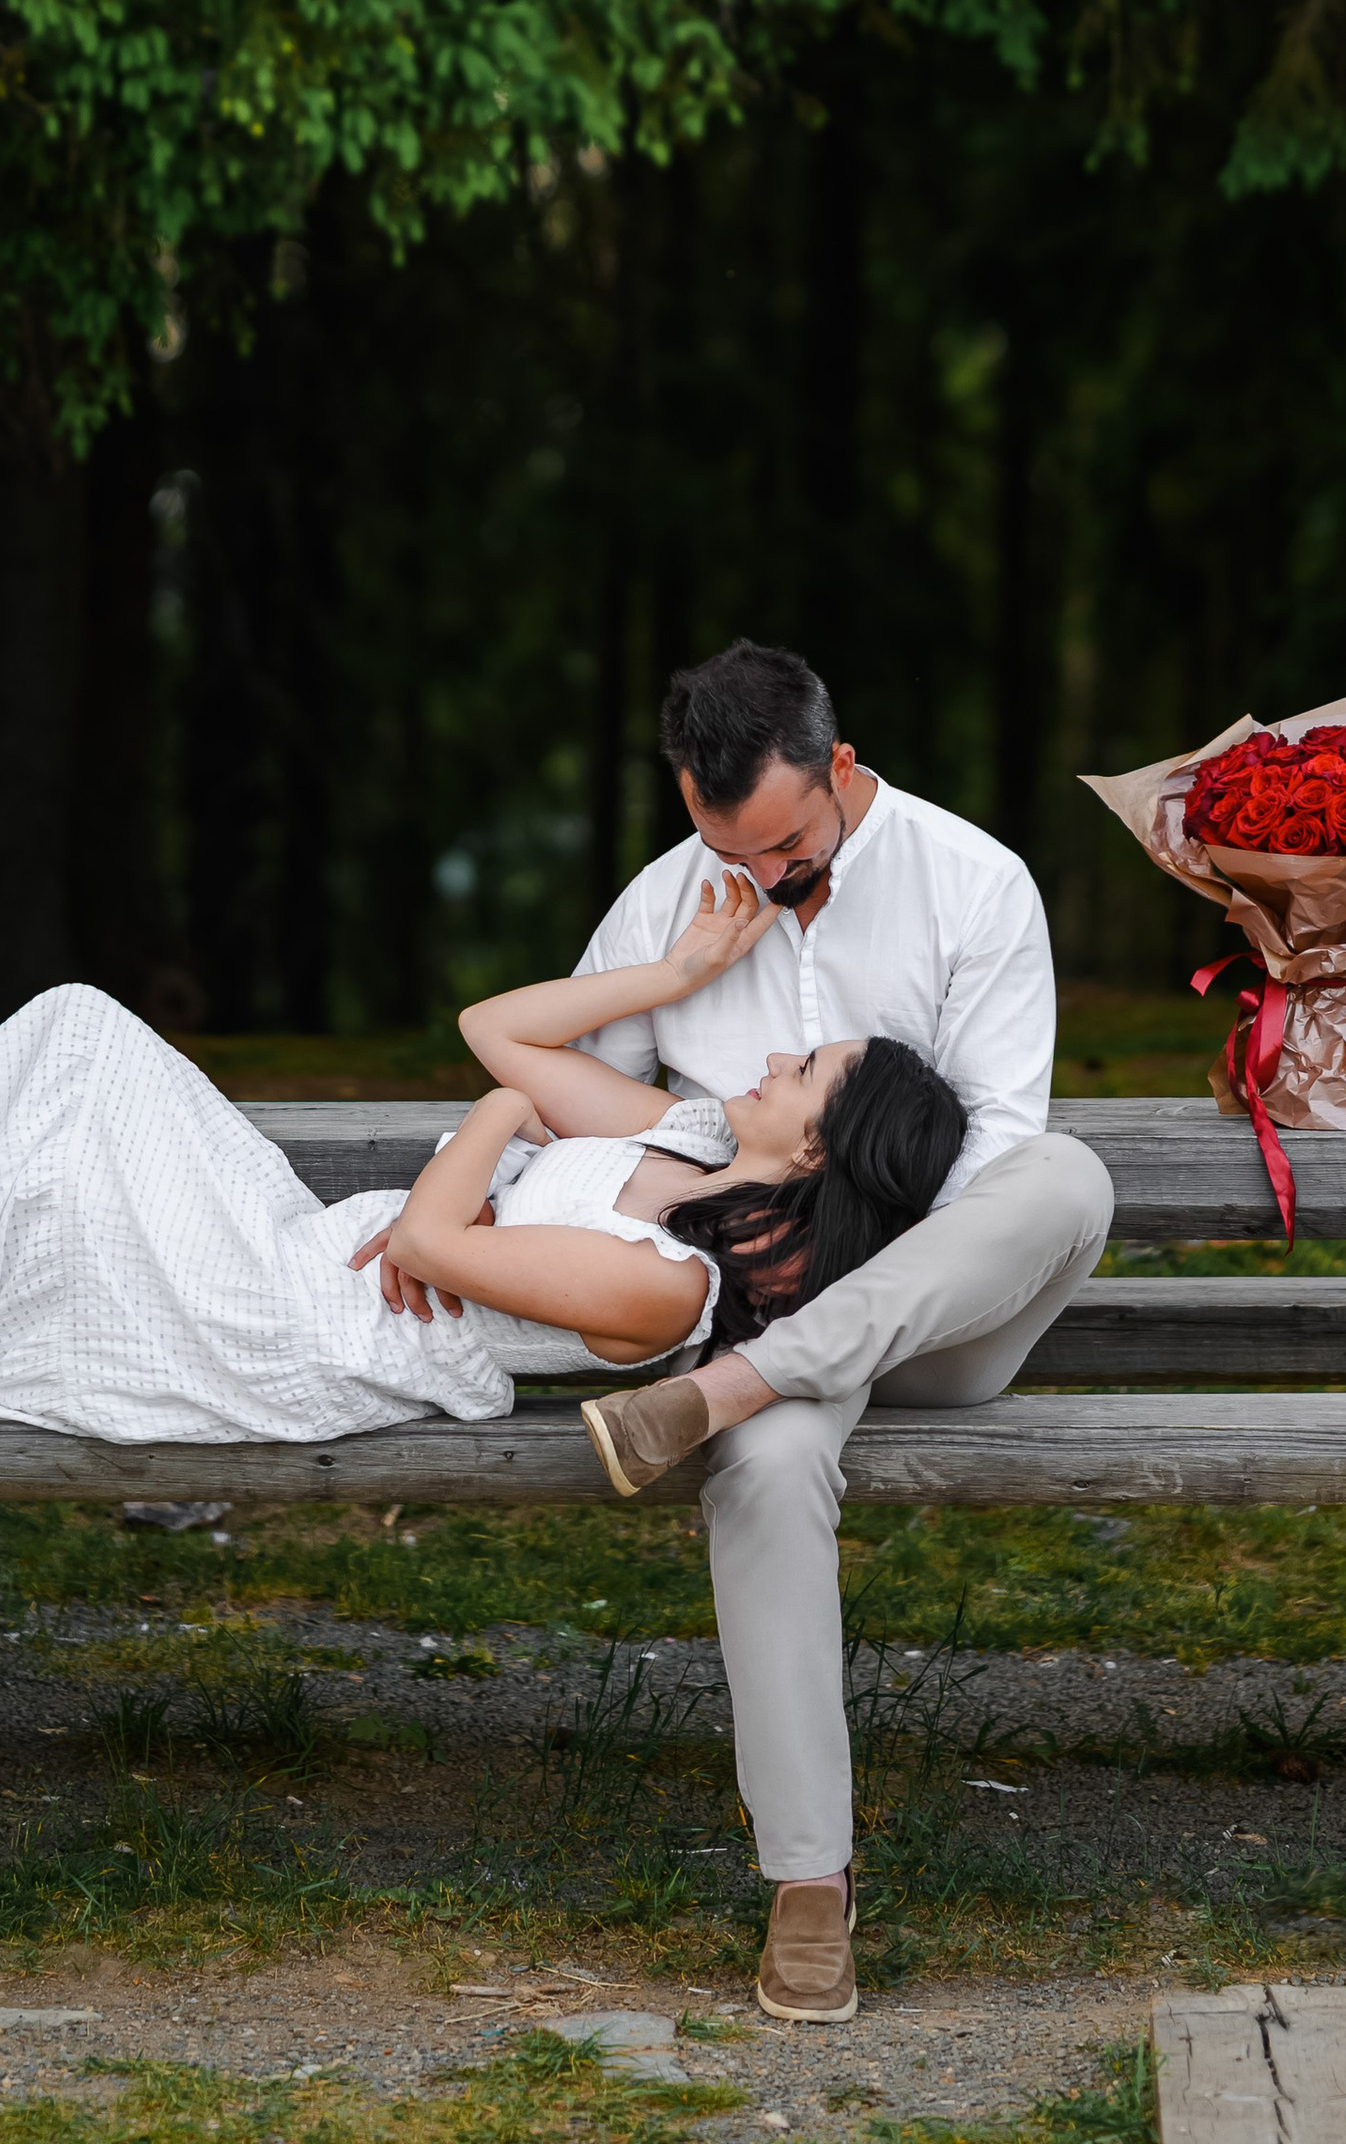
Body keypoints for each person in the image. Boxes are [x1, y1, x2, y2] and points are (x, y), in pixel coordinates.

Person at [369, 638, 1112, 2030]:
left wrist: (807, 1315)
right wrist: (436, 1216)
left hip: (929, 1319)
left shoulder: (975, 881)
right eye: (729, 847)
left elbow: (997, 1148)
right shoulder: (670, 895)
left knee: (1068, 1174)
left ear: (840, 768)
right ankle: (811, 1885)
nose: (762, 878)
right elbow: (573, 1091)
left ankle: (746, 1386)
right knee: (767, 1469)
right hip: (739, 1321)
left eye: (786, 844)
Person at [0, 885, 968, 1462]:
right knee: (70, 1041)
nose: (776, 1057)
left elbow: (445, 1249)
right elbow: (493, 1031)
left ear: (822, 1147)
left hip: (302, 1334)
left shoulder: (664, 1288)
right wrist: (672, 966)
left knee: (63, 1090)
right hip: (308, 1247)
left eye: (808, 1072)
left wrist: (497, 1138)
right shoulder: (683, 1136)